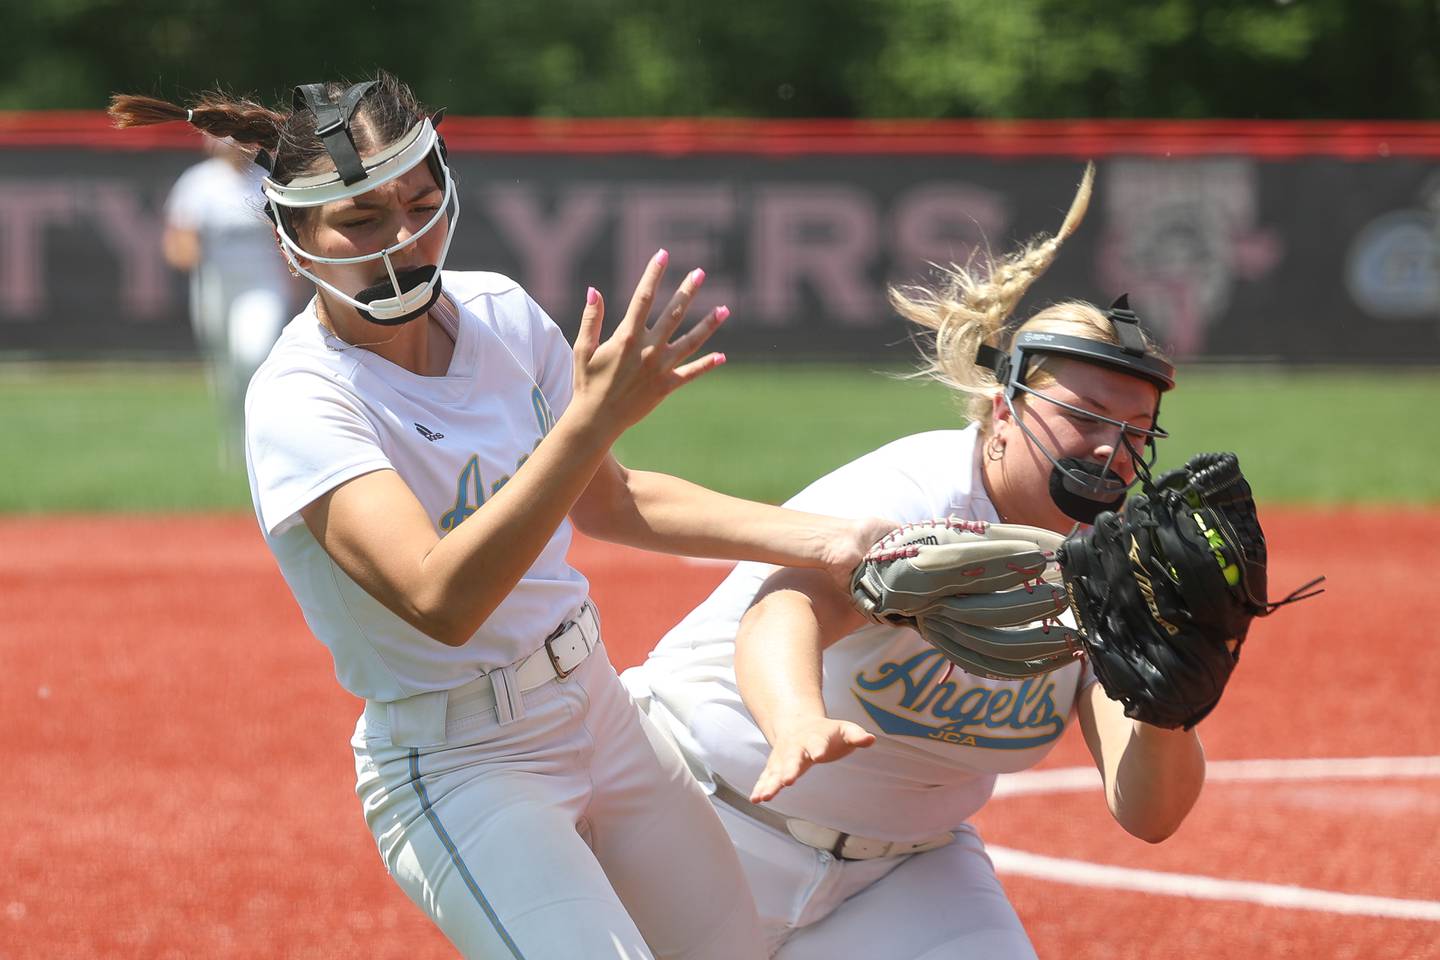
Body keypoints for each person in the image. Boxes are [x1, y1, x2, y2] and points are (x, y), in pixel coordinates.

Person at [109, 74, 893, 960]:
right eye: (360, 221)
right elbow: (441, 599)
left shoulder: (496, 311)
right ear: (294, 239)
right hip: (463, 764)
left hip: (600, 704)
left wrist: (837, 537)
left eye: (421, 201)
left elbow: (613, 497)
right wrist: (590, 421)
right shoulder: (300, 397)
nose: (403, 238)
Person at [626, 164, 1207, 959]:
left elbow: (1147, 814)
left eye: (1138, 427)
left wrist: (1170, 708)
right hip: (695, 817)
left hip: (901, 874)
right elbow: (782, 610)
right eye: (1086, 415)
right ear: (1005, 410)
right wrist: (795, 721)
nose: (1113, 447)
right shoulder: (923, 494)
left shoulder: (1113, 570)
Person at [162, 132, 300, 466]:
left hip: (262, 286)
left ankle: (261, 438)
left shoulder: (267, 183)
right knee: (225, 370)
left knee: (252, 354)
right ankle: (236, 441)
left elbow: (292, 238)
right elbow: (178, 242)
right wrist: (191, 252)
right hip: (216, 287)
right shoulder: (198, 183)